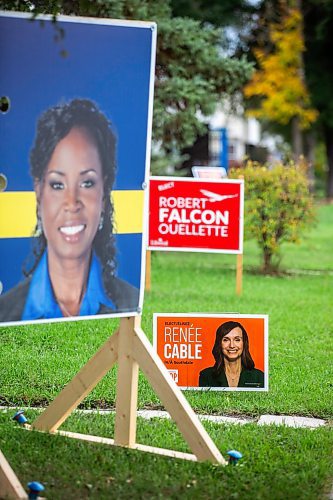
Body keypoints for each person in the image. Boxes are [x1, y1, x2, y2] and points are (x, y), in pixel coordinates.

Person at [0, 99, 139, 321]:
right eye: (57, 184)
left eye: (87, 183)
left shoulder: (131, 305)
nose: (72, 202)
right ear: (39, 192)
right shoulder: (5, 313)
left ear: (103, 194)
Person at [199, 321, 264, 388]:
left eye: (237, 340)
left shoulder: (259, 376)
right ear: (219, 344)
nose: (232, 345)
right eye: (226, 340)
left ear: (244, 343)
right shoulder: (206, 376)